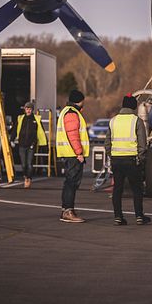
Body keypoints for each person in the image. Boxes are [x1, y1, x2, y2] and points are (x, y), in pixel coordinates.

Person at [105, 94, 150, 225]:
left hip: (116, 160)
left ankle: (118, 217)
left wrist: (112, 156)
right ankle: (139, 216)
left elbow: (107, 143)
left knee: (117, 189)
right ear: (133, 106)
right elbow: (142, 143)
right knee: (137, 189)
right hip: (132, 160)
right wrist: (141, 159)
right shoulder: (137, 121)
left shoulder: (113, 121)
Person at [56, 89, 90, 223]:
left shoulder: (67, 111)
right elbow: (73, 135)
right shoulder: (72, 113)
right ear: (79, 101)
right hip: (73, 155)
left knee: (70, 182)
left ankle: (67, 209)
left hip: (69, 153)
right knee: (71, 182)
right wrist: (79, 153)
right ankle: (68, 211)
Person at [11, 102, 47, 189]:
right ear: (25, 109)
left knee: (29, 164)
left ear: (32, 110)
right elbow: (15, 129)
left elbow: (41, 132)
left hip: (31, 145)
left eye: (30, 109)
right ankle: (25, 176)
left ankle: (28, 179)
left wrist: (43, 144)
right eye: (27, 109)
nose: (28, 110)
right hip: (22, 144)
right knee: (23, 165)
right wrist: (12, 139)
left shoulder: (36, 119)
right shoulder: (20, 118)